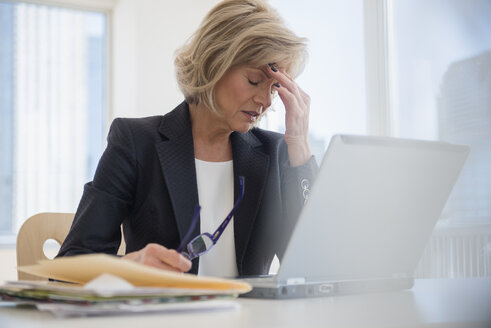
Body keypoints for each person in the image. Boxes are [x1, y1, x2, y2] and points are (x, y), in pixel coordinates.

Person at [57, 0, 318, 278]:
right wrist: (128, 267)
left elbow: (317, 264)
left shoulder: (276, 152)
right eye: (254, 81)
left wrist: (300, 147)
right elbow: (70, 263)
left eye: (274, 88)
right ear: (214, 63)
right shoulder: (135, 143)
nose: (265, 101)